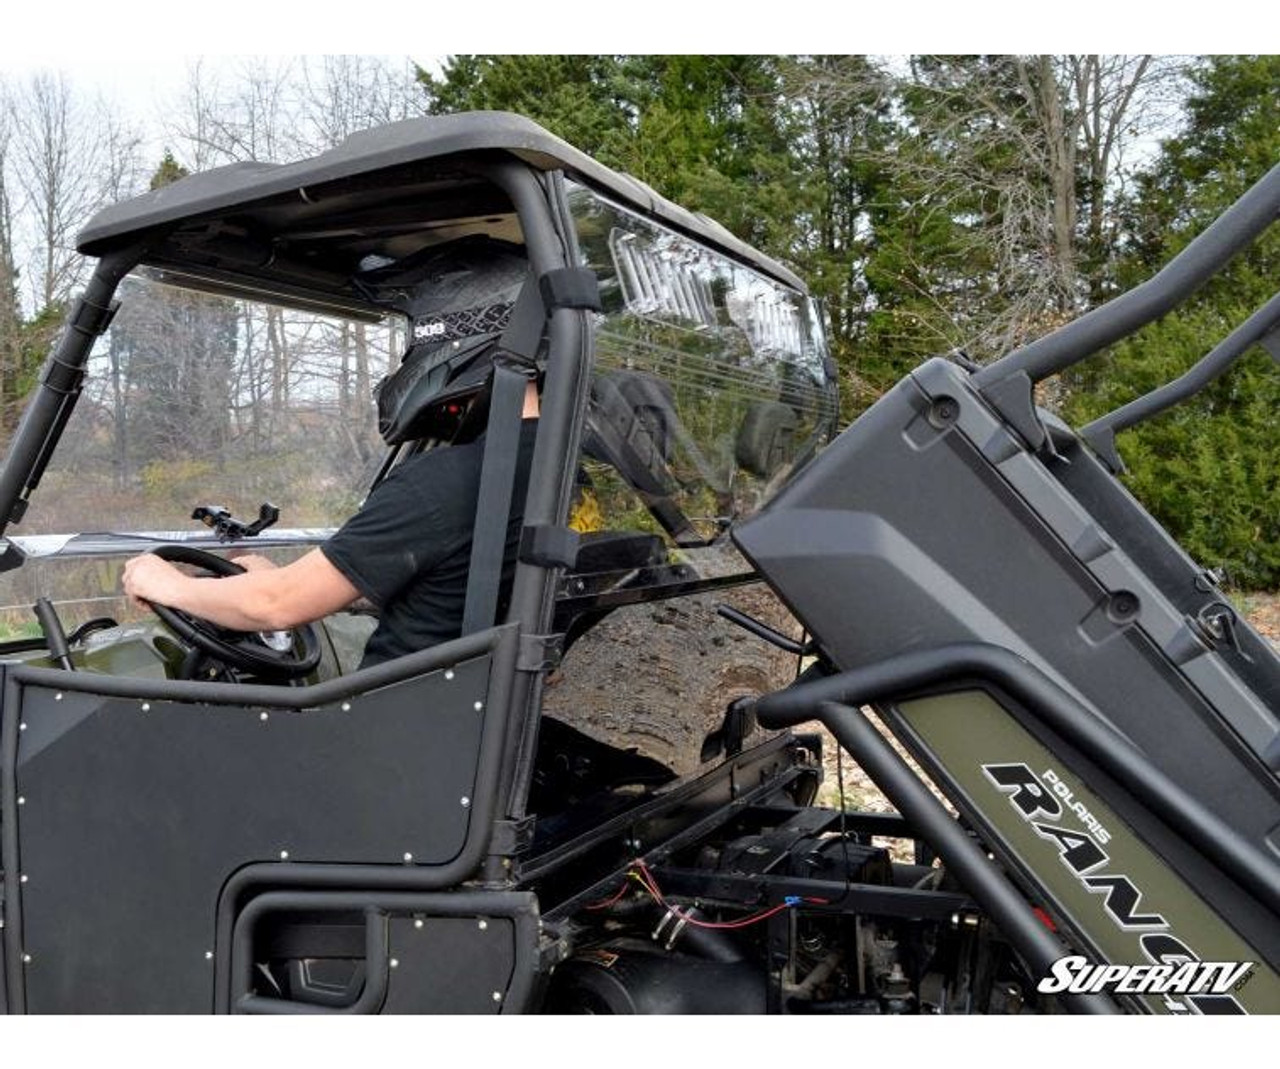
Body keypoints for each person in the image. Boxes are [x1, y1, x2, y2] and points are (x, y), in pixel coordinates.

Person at [122, 378, 541, 671]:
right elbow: (456, 587)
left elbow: (277, 606)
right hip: (475, 719)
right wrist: (294, 581)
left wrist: (167, 585)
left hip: (393, 730)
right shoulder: (559, 474)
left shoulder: (454, 479)